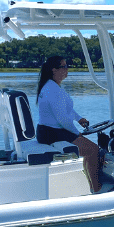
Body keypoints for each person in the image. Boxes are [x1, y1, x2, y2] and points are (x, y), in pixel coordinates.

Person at [36, 56, 101, 193]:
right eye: (64, 66)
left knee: (90, 151)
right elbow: (63, 120)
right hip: (52, 133)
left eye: (67, 66)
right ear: (54, 70)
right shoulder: (52, 90)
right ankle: (97, 189)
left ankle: (93, 187)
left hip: (48, 130)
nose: (67, 69)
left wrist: (78, 119)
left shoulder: (52, 86)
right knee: (93, 150)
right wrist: (76, 133)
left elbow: (66, 109)